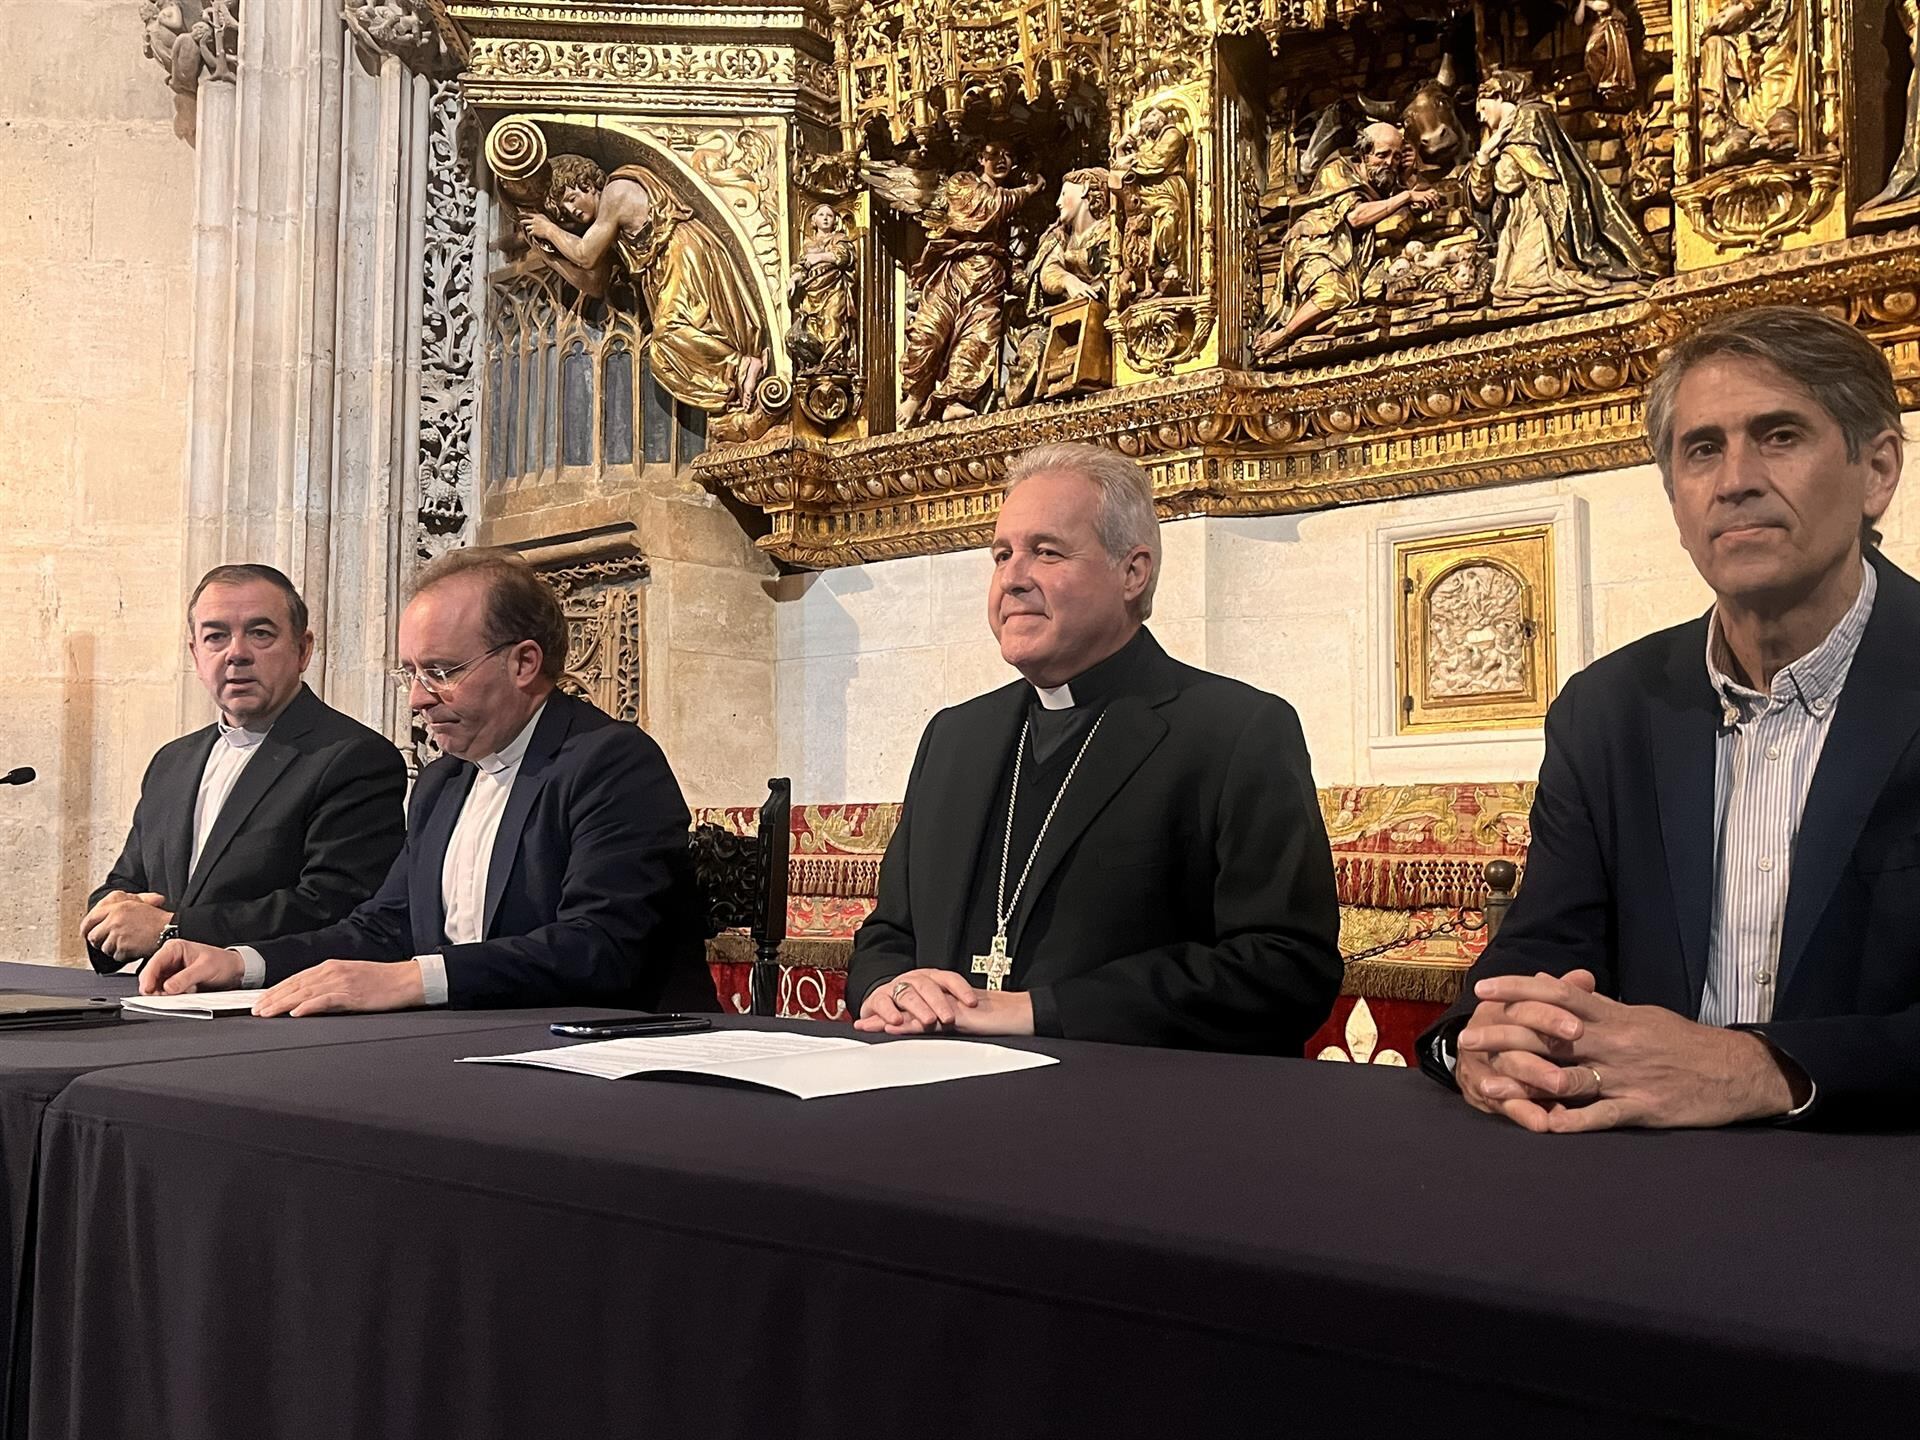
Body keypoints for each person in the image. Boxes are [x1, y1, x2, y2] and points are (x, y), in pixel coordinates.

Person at [1421, 304, 1918, 1130]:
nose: (1735, 480)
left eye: (1781, 435)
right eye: (1701, 451)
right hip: (1650, 1196)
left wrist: (1761, 1069)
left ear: (1877, 471)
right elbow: (1539, 960)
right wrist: (1483, 1043)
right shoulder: (1607, 710)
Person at [846, 443, 1342, 1052]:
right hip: (936, 1100)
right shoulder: (954, 737)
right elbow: (890, 932)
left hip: (1129, 1112)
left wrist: (1040, 1011)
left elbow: (1285, 966)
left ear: (1132, 572)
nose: (1013, 577)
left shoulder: (1236, 730)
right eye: (1002, 554)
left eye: (1046, 552)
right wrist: (892, 989)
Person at [141, 548, 714, 1016]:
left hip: (613, 1053)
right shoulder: (444, 780)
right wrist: (242, 963)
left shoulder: (610, 763)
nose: (417, 699)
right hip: (469, 1043)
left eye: (441, 672)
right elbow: (382, 927)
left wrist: (412, 979)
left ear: (524, 663)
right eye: (411, 673)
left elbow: (600, 946)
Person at [82, 564, 405, 972]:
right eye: (216, 636)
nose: (237, 653)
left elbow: (333, 903)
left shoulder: (352, 757)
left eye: (260, 633)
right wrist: (109, 913)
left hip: (273, 1006)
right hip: (160, 1000)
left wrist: (173, 928)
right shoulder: (173, 761)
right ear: (195, 654)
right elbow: (127, 884)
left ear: (303, 650)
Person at [1255, 122, 1438, 357]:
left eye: (1396, 157)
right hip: (1317, 241)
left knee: (1365, 291)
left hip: (1349, 253)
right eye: (1382, 155)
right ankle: (1281, 336)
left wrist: (1409, 177)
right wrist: (1406, 195)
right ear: (1363, 153)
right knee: (1334, 293)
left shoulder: (1385, 180)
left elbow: (1397, 205)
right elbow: (1356, 216)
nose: (1389, 163)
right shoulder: (1338, 170)